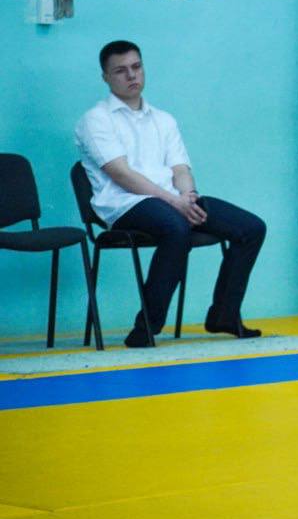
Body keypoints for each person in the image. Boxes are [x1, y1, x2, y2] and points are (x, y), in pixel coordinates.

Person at [75, 40, 267, 348]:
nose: (131, 75)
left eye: (136, 67)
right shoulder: (96, 119)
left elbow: (180, 169)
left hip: (173, 202)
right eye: (121, 71)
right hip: (124, 204)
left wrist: (188, 196)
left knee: (251, 228)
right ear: (105, 77)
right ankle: (146, 328)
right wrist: (175, 203)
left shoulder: (163, 119)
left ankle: (224, 315)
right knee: (176, 228)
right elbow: (122, 174)